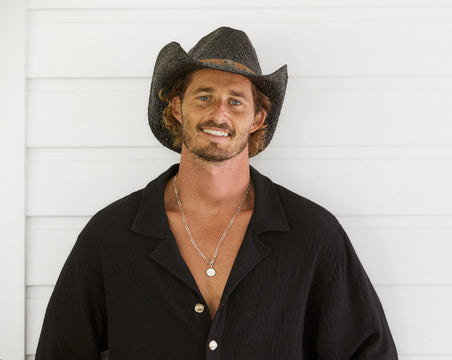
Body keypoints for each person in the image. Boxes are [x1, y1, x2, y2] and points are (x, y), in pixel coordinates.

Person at [36, 27, 398, 359]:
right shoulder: (109, 235)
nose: (219, 114)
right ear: (177, 107)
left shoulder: (314, 235)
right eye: (204, 96)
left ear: (257, 118)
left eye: (236, 101)